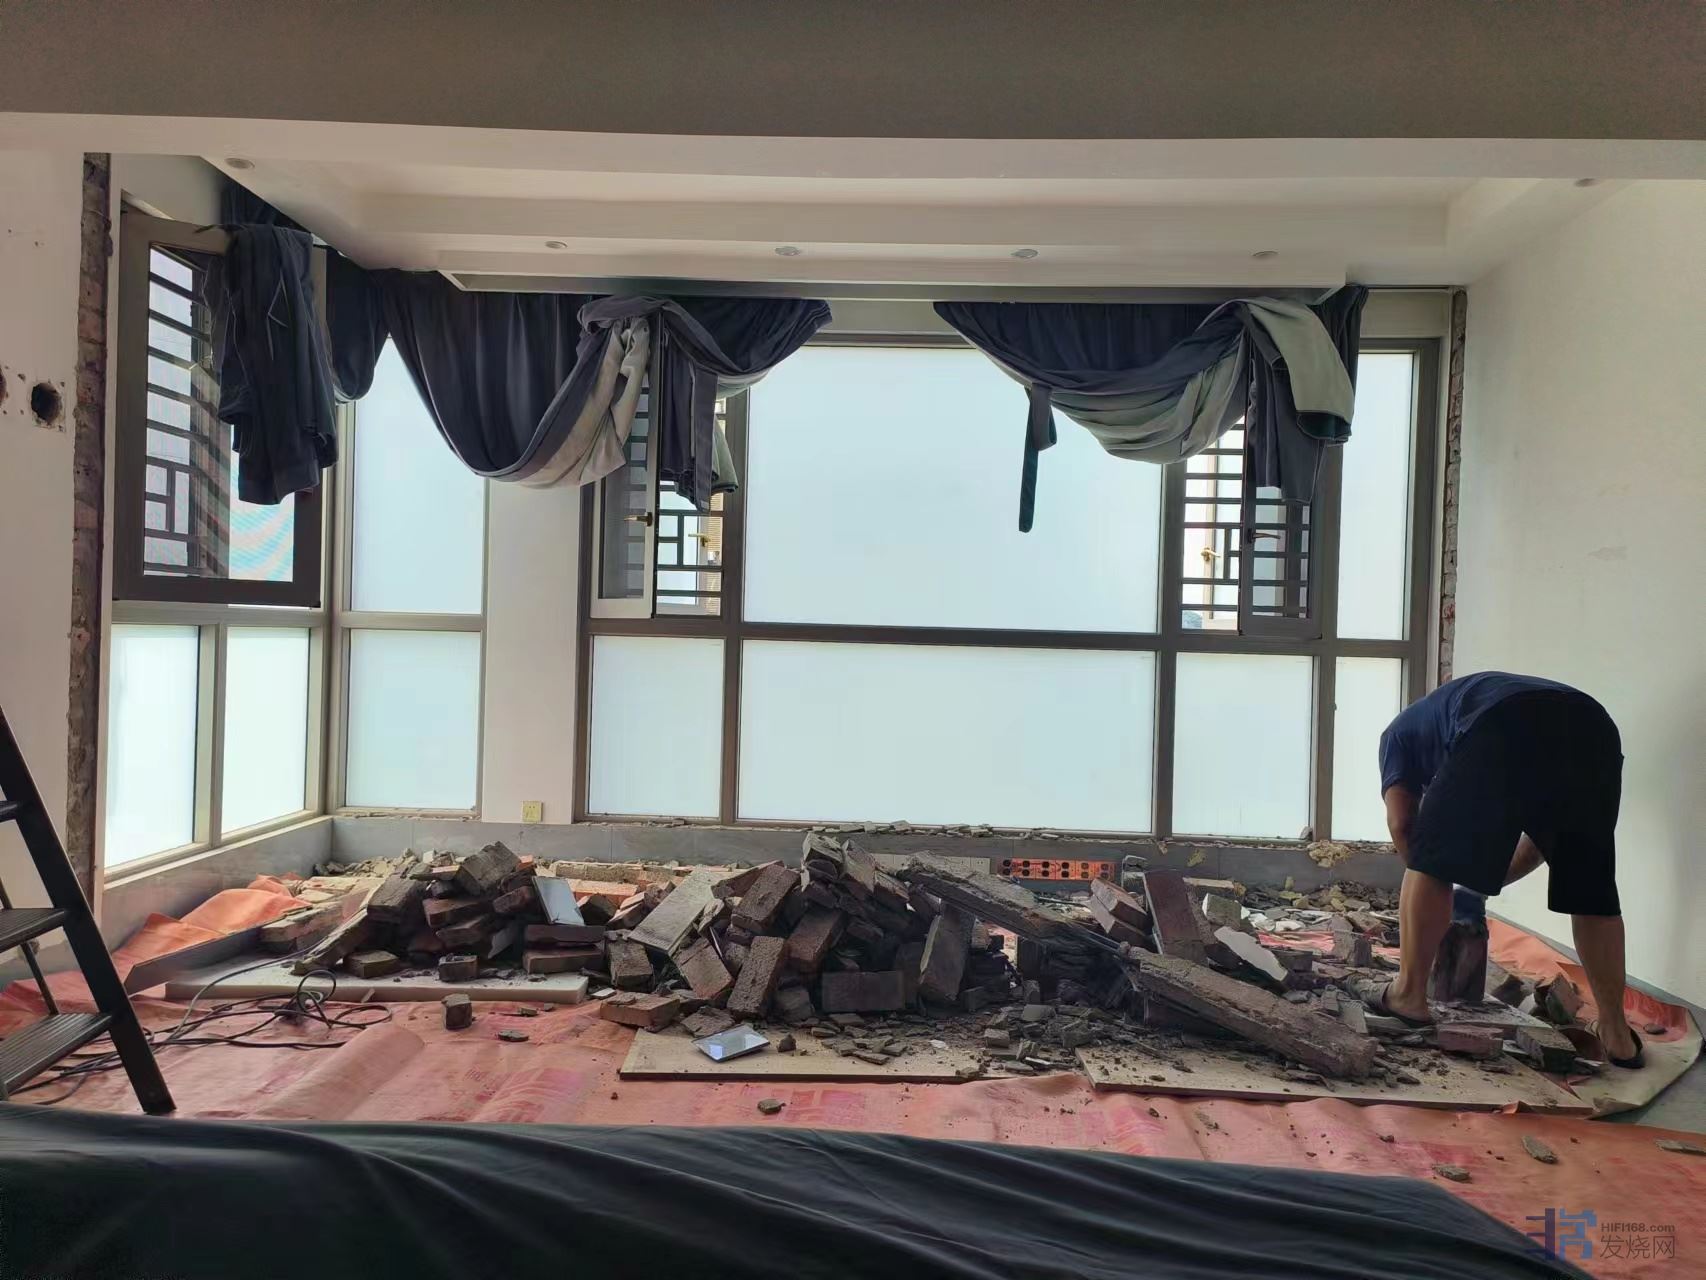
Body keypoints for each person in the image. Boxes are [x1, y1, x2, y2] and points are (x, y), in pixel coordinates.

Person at [1374, 671, 1641, 1067]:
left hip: (1503, 718)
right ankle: (1617, 1034)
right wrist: (1475, 891)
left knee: (1429, 859)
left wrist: (1437, 877)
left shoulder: (1396, 737)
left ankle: (1407, 995)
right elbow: (1541, 842)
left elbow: (1402, 826)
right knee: (1591, 890)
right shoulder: (1452, 721)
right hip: (1594, 730)